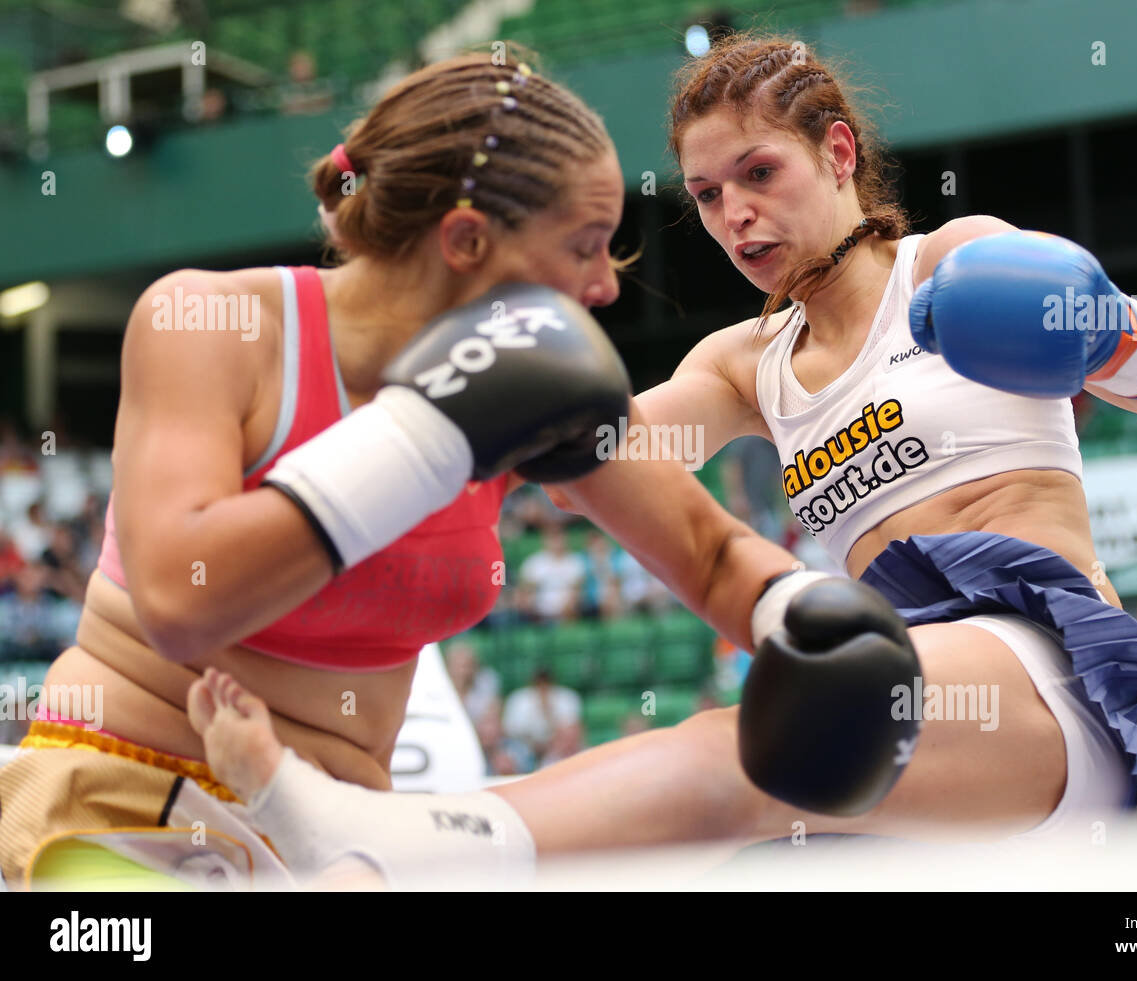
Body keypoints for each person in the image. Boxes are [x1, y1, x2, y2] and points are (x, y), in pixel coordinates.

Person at [184, 33, 1137, 890]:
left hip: (1039, 681)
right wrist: (311, 450)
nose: (733, 214)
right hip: (902, 761)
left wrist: (1107, 336)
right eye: (705, 193)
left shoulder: (958, 261)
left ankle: (388, 843)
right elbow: (573, 442)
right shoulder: (746, 367)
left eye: (757, 173)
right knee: (707, 854)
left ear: (836, 152)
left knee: (746, 749)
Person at [0, 50, 831, 890]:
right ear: (467, 240)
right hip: (119, 800)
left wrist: (801, 614)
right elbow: (181, 600)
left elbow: (712, 553)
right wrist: (432, 432)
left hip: (339, 836)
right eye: (583, 247)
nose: (602, 288)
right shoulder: (212, 324)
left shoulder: (534, 388)